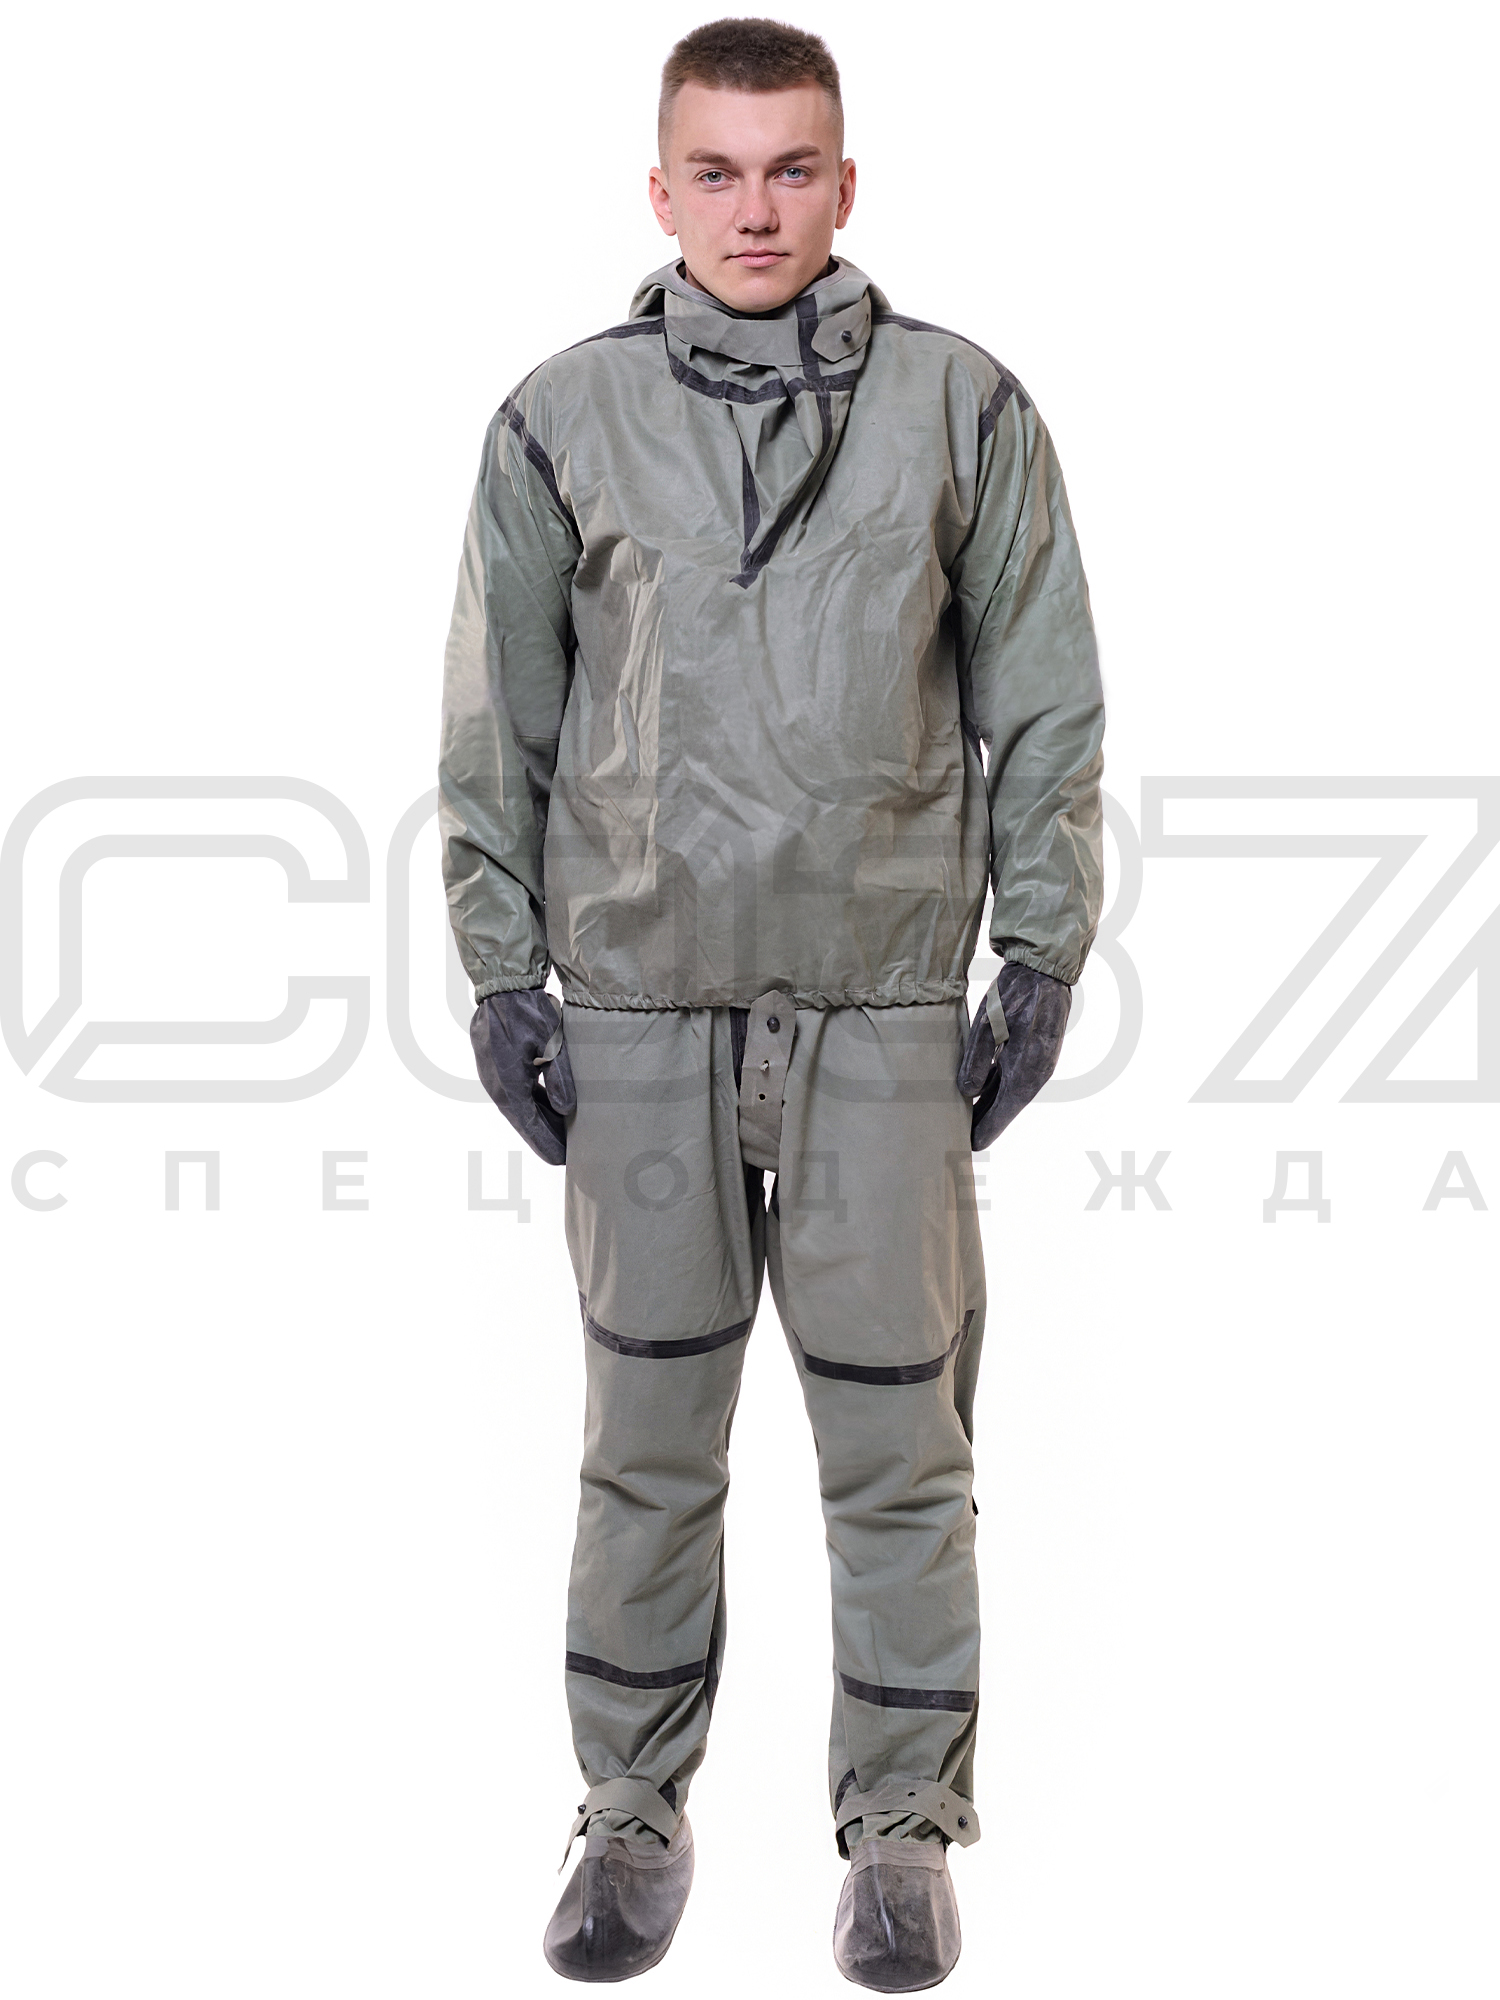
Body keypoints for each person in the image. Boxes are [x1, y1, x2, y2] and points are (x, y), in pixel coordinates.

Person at [439, 16, 1104, 1989]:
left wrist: (1043, 949)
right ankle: (629, 1813)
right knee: (644, 1441)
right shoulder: (560, 419)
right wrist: (499, 970)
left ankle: (902, 1833)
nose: (756, 209)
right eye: (718, 173)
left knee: (903, 1447)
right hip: (638, 1009)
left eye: (792, 168)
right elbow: (498, 716)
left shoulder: (962, 409)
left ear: (845, 182)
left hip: (880, 1010)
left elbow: (1045, 698)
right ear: (660, 190)